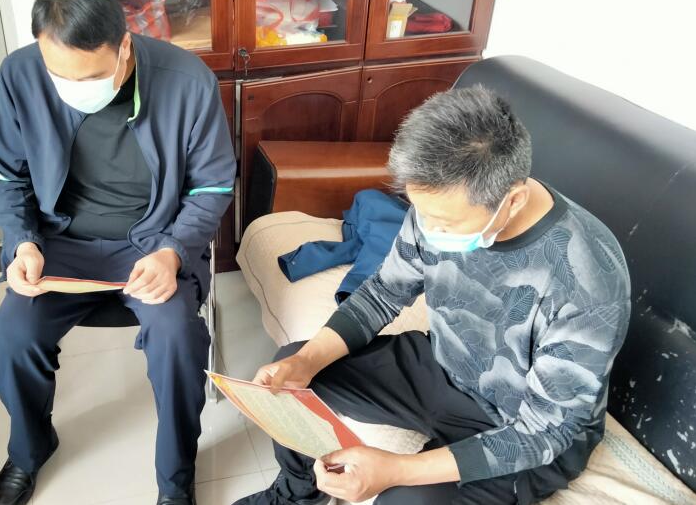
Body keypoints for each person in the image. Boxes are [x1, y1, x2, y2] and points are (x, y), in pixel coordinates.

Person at [235, 86, 631, 505]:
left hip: (522, 423)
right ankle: (296, 495)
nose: (426, 228)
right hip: (445, 366)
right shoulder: (437, 207)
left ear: (512, 200)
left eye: (443, 222)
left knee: (402, 501)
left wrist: (396, 470)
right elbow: (383, 293)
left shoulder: (587, 277)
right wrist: (306, 360)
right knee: (293, 378)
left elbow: (547, 431)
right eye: (420, 211)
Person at [0, 0, 235, 505]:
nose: (74, 88)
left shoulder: (187, 80)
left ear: (124, 46)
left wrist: (173, 251)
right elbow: (8, 177)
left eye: (91, 77)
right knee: (11, 339)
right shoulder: (18, 74)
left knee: (177, 340)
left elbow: (212, 186)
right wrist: (23, 243)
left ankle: (176, 479)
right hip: (60, 240)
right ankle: (30, 448)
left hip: (155, 241)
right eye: (59, 75)